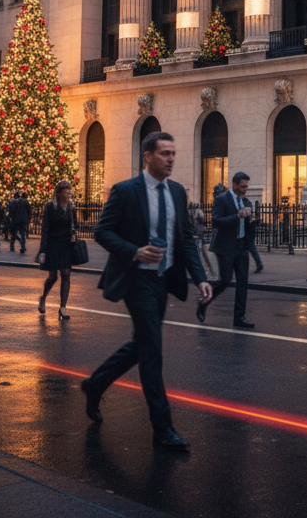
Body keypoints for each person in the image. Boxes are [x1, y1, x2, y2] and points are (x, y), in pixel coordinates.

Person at [81, 131, 212, 450]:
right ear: (148, 156)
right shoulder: (126, 191)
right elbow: (102, 232)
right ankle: (163, 427)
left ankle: (95, 383)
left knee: (143, 343)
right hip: (135, 277)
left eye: (173, 153)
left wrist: (201, 277)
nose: (170, 159)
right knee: (152, 350)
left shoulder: (178, 193)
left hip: (163, 278)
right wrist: (134, 251)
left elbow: (185, 239)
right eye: (164, 153)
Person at [196, 171, 255, 329]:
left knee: (243, 283)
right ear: (234, 185)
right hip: (226, 247)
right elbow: (216, 221)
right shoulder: (222, 199)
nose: (245, 190)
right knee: (225, 281)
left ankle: (239, 317)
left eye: (246, 187)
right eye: (242, 186)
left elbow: (248, 223)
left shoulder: (246, 201)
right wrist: (237, 216)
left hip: (242, 247)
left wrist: (254, 220)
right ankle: (204, 302)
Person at [35, 179, 76, 320]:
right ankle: (43, 297)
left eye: (69, 192)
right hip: (53, 244)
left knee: (66, 273)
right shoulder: (50, 206)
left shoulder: (71, 206)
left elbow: (74, 226)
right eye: (65, 192)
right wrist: (43, 251)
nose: (68, 195)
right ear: (59, 194)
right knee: (53, 276)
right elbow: (45, 229)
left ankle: (63, 307)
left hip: (65, 245)